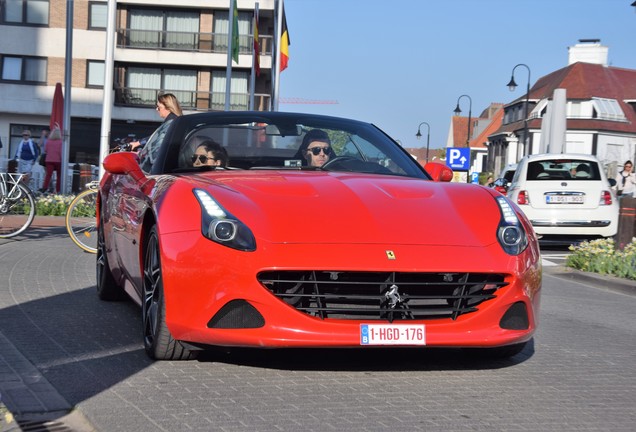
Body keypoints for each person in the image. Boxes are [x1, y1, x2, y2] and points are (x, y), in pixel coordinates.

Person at [40, 127, 63, 193]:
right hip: (58, 160)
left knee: (48, 175)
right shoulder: (61, 142)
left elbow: (45, 150)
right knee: (59, 176)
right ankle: (58, 190)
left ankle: (44, 188)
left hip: (49, 160)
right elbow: (61, 152)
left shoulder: (48, 141)